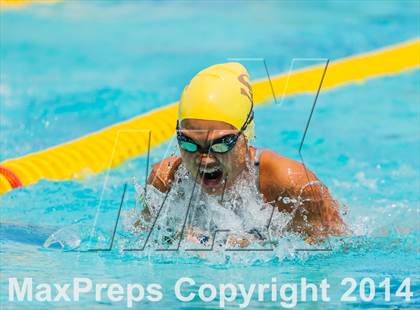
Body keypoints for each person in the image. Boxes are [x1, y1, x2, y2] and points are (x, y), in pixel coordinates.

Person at [145, 62, 345, 245]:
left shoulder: (292, 185)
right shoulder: (165, 182)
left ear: (246, 135)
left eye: (221, 144)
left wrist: (254, 245)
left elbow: (336, 250)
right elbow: (141, 237)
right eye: (189, 143)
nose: (204, 158)